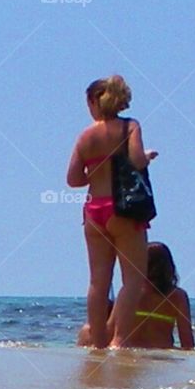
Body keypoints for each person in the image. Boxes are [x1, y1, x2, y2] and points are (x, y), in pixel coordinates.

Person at [66, 75, 156, 349]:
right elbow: (137, 159)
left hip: (94, 210)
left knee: (98, 281)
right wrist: (148, 156)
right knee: (133, 279)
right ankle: (120, 340)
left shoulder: (86, 136)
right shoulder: (130, 127)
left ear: (95, 101)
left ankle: (97, 342)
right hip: (123, 209)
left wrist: (95, 173)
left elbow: (73, 179)